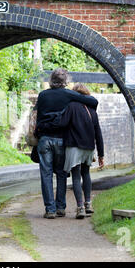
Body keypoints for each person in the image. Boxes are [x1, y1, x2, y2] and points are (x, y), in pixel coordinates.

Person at [34, 69, 98, 219]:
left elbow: (37, 115)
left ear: (51, 80)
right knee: (62, 173)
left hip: (44, 138)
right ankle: (60, 207)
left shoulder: (42, 95)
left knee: (46, 174)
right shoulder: (69, 94)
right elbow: (94, 101)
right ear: (65, 81)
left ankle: (50, 210)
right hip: (62, 139)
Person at [57, 83, 104, 219]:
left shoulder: (71, 107)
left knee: (76, 177)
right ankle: (88, 203)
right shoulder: (92, 111)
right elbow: (98, 134)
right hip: (89, 148)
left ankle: (80, 207)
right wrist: (101, 154)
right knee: (86, 174)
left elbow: (62, 124)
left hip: (74, 146)